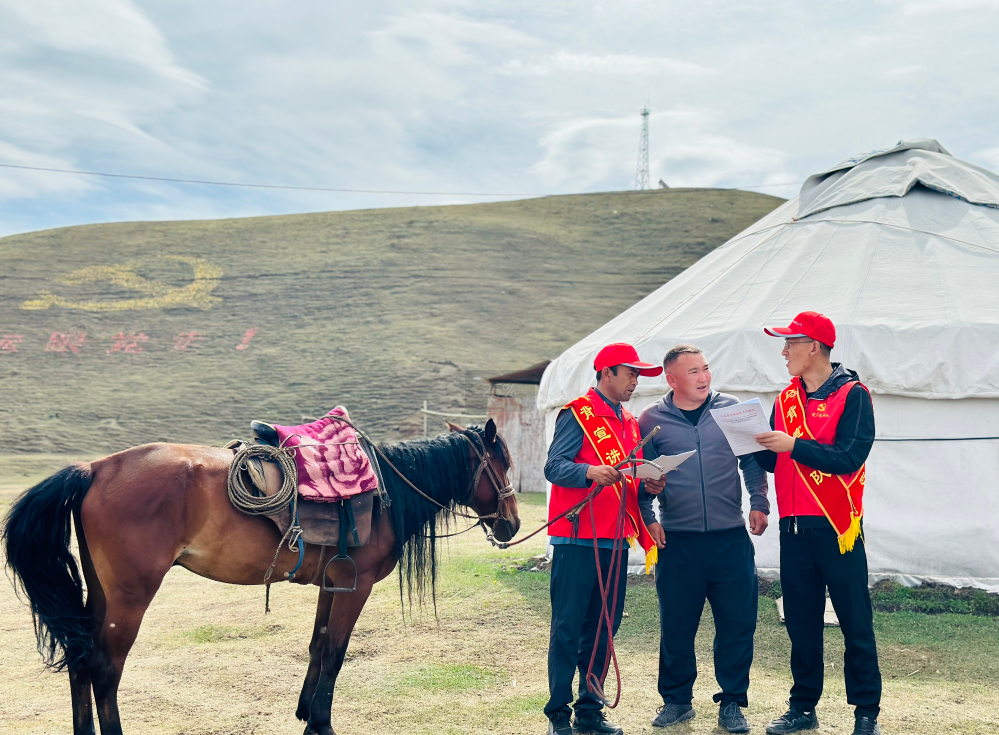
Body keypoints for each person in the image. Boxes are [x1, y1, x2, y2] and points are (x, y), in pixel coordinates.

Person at [752, 311, 882, 735]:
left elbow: (849, 458)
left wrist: (794, 445)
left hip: (836, 529)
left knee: (854, 622)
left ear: (814, 347)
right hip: (793, 530)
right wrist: (751, 444)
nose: (784, 352)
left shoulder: (853, 395)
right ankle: (803, 707)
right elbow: (777, 461)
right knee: (802, 624)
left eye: (791, 343)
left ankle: (866, 713)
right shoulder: (784, 399)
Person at [636, 345, 770, 733]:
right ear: (672, 379)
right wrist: (647, 516)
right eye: (693, 371)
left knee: (737, 623)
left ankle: (732, 702)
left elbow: (752, 461)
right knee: (676, 626)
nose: (704, 377)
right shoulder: (651, 420)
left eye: (706, 369)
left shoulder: (732, 410)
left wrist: (759, 503)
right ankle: (677, 701)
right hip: (677, 542)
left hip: (730, 540)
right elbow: (641, 477)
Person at [543, 343, 666, 735]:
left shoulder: (630, 423)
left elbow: (628, 487)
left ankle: (590, 711)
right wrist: (589, 472)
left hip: (614, 540)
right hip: (577, 538)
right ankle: (559, 712)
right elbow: (554, 466)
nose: (635, 380)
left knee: (603, 628)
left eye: (638, 375)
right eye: (630, 372)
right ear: (606, 372)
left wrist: (650, 486)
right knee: (568, 627)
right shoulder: (577, 414)